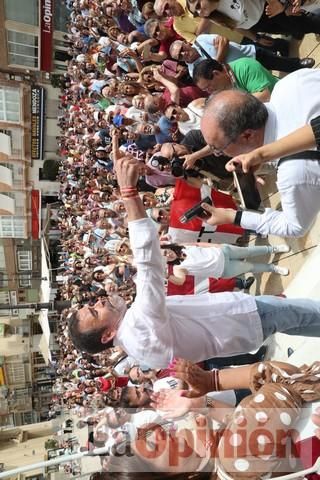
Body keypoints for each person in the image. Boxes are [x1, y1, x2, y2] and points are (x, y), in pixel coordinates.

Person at [68, 156, 320, 368]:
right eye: (94, 311)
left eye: (92, 303)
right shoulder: (138, 329)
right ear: (107, 335)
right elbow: (149, 266)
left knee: (301, 322)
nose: (99, 301)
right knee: (306, 314)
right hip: (244, 318)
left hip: (241, 321)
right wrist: (129, 194)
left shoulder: (136, 344)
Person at [200, 68, 320, 238]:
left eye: (219, 149)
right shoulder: (290, 82)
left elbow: (295, 227)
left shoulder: (293, 174)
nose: (223, 154)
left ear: (247, 135)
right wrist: (263, 156)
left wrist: (233, 216)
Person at [170, 35, 314, 77]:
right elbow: (212, 78)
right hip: (244, 73)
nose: (184, 54)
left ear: (185, 43)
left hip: (249, 54)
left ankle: (299, 64)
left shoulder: (200, 40)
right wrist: (220, 54)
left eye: (182, 49)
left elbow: (224, 40)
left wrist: (216, 62)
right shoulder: (193, 71)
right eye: (180, 56)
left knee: (278, 62)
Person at [162, 242, 290, 285]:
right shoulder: (178, 268)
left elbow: (198, 244)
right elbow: (180, 281)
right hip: (224, 269)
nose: (168, 255)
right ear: (165, 261)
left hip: (223, 251)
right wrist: (167, 276)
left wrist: (217, 246)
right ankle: (273, 268)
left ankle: (273, 249)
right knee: (250, 266)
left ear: (168, 247)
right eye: (165, 257)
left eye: (166, 251)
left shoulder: (181, 245)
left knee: (248, 251)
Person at [193, 57, 278, 101]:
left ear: (216, 74)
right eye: (205, 90)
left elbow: (264, 96)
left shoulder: (245, 66)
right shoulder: (219, 89)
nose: (209, 91)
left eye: (208, 86)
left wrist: (233, 105)